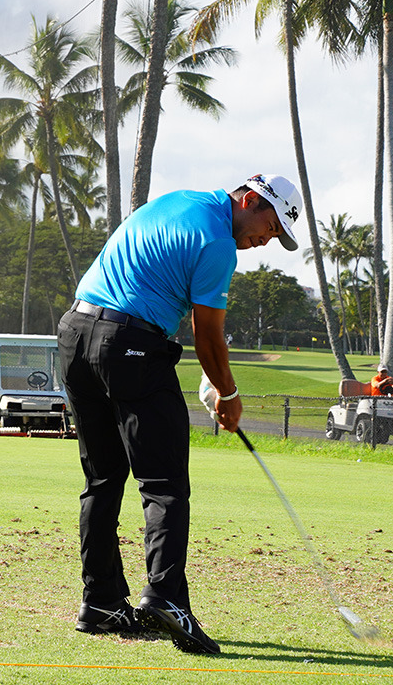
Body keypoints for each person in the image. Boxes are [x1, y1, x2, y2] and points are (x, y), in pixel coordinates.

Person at [57, 174, 302, 655]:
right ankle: (166, 596)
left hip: (75, 335)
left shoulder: (180, 201)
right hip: (129, 344)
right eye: (269, 226)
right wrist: (228, 397)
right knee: (165, 484)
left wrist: (213, 378)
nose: (264, 241)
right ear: (250, 199)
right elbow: (208, 335)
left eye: (275, 237)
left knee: (104, 478)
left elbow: (182, 312)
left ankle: (102, 603)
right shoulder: (218, 242)